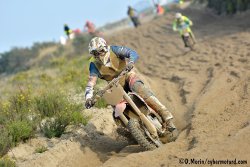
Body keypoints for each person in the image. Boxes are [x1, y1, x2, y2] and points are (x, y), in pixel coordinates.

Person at [84, 37, 176, 132]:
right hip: (114, 86)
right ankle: (129, 131)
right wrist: (88, 98)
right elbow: (91, 82)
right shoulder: (93, 64)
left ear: (105, 47)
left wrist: (131, 62)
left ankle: (166, 116)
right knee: (115, 109)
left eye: (100, 51)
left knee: (141, 89)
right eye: (95, 53)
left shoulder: (114, 50)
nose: (99, 55)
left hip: (127, 75)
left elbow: (132, 53)